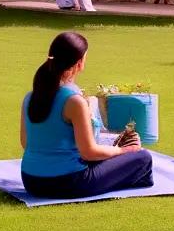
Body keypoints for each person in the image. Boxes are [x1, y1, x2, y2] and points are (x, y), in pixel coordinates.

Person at [20, 31, 153, 199]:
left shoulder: (29, 97)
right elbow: (88, 153)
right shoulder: (73, 101)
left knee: (106, 156)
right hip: (67, 182)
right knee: (142, 158)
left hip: (31, 181)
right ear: (79, 63)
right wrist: (122, 150)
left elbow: (26, 143)